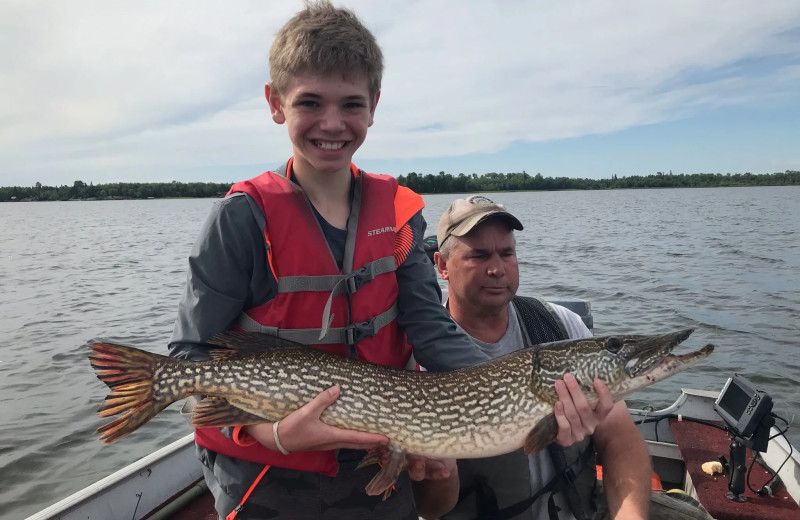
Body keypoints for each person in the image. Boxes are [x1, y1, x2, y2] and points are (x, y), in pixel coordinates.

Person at [167, 2, 486, 518]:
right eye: (310, 102)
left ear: (374, 105)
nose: (332, 124)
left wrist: (507, 386)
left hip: (375, 458)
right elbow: (189, 357)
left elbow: (431, 328)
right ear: (276, 103)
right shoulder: (241, 219)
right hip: (268, 474)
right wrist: (267, 431)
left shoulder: (401, 213)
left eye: (352, 105)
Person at [425, 195, 653, 520]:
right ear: (442, 265)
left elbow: (619, 437)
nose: (496, 269)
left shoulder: (559, 326)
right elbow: (430, 508)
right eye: (478, 255)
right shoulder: (419, 351)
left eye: (507, 253)